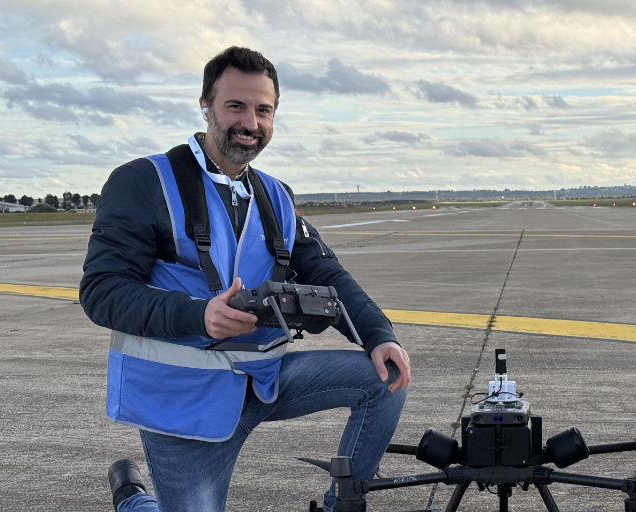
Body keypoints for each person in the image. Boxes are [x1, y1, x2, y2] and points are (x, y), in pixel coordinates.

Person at [80, 46, 411, 512]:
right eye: (235, 106)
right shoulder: (142, 182)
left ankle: (342, 505)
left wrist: (377, 334)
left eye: (263, 110)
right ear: (206, 105)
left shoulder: (275, 194)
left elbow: (324, 269)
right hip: (182, 401)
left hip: (263, 378)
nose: (250, 123)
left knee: (384, 377)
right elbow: (102, 292)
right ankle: (134, 501)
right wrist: (199, 316)